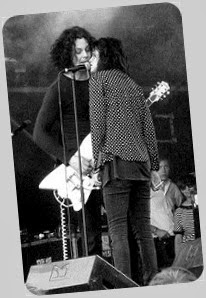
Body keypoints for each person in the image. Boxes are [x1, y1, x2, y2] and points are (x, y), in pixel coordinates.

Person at [88, 37, 159, 285]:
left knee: (117, 231)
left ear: (103, 57)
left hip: (115, 164)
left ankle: (124, 287)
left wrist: (97, 162)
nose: (90, 61)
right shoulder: (133, 85)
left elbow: (97, 124)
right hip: (141, 166)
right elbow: (148, 129)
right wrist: (155, 165)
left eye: (94, 56)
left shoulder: (98, 80)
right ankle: (155, 283)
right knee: (144, 232)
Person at [33, 26, 102, 257]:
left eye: (87, 50)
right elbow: (40, 132)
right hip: (80, 171)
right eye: (77, 52)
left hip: (106, 162)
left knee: (122, 230)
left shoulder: (99, 81)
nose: (84, 55)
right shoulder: (59, 87)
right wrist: (71, 159)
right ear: (67, 56)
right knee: (92, 239)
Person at [150, 157, 183, 268]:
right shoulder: (146, 188)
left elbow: (182, 207)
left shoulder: (173, 187)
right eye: (160, 167)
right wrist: (156, 230)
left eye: (166, 166)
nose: (163, 170)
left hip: (173, 236)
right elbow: (138, 218)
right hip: (155, 238)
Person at [174, 174, 201, 257]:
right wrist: (178, 256)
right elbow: (178, 236)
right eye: (183, 187)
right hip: (190, 251)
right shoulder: (179, 211)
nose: (187, 190)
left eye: (189, 186)